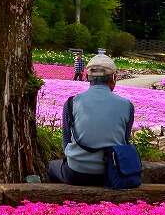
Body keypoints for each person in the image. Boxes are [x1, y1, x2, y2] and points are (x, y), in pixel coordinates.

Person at [48, 54, 134, 186]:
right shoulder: (127, 105)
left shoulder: (71, 103)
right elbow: (125, 141)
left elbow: (66, 143)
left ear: (87, 77)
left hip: (77, 173)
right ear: (113, 78)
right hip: (112, 173)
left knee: (52, 166)